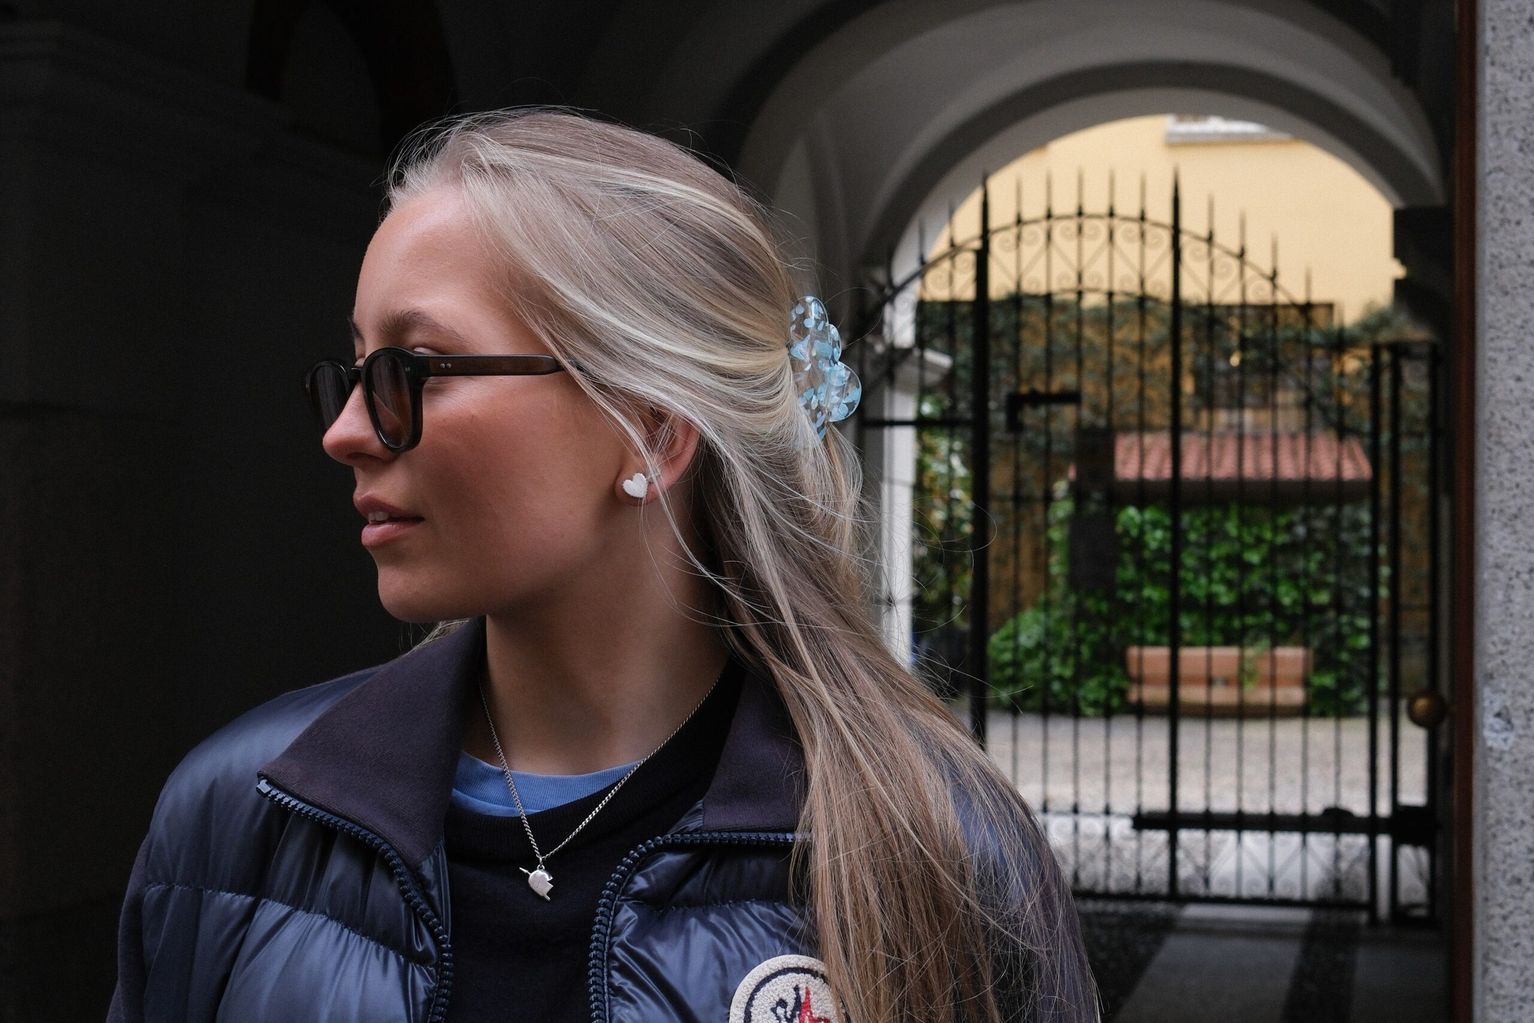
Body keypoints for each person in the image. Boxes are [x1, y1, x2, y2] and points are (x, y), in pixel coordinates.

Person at [108, 108, 1099, 1023]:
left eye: (411, 371)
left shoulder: (931, 845)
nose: (346, 431)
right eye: (353, 372)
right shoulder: (242, 812)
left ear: (650, 431)